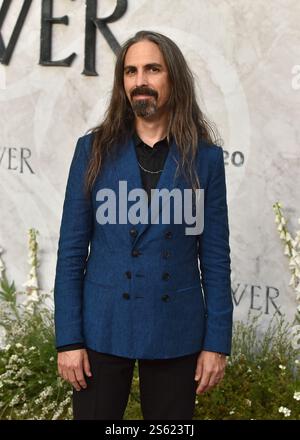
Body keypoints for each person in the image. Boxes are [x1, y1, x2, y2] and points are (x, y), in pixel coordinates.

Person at [53, 30, 233, 420]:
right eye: (131, 71)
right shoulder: (93, 150)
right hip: (102, 325)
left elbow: (216, 259)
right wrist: (68, 339)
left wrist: (217, 343)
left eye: (153, 69)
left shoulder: (206, 159)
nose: (140, 81)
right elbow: (70, 252)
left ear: (174, 79)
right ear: (122, 83)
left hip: (176, 328)